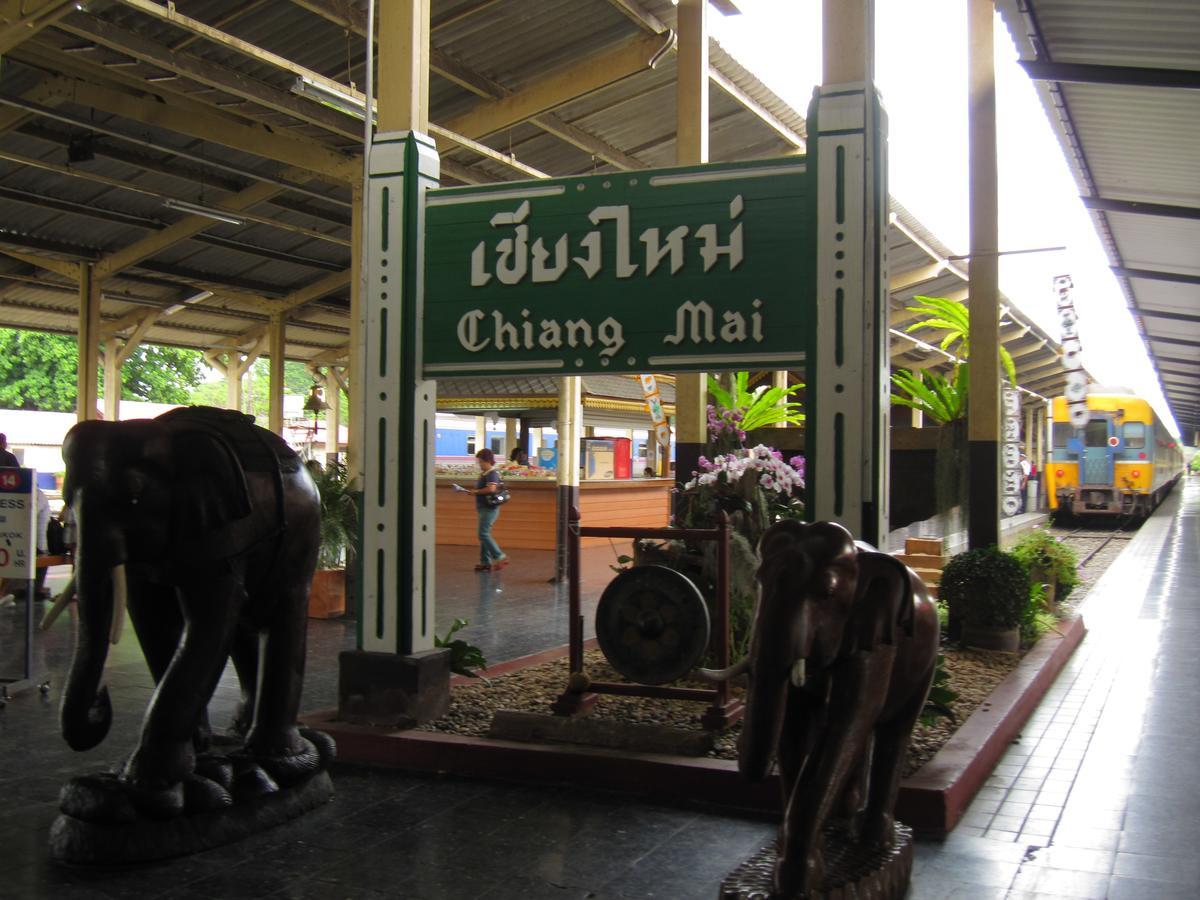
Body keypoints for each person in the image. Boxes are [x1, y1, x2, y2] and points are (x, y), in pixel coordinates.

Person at [465, 448, 509, 572]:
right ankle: (485, 562)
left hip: (489, 509)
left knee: (483, 534)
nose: (479, 464)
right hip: (483, 508)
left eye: (481, 462)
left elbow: (491, 489)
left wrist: (476, 492)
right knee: (485, 534)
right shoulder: (485, 474)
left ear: (488, 461)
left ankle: (500, 556)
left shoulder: (492, 474)